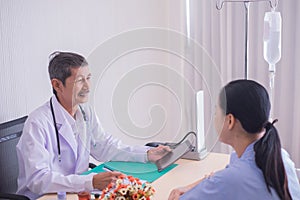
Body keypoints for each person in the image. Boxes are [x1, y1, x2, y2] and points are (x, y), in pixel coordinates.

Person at [16, 51, 170, 199]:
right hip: (45, 197)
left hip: (78, 194)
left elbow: (106, 147)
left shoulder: (84, 112)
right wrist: (90, 181)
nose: (88, 87)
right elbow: (38, 180)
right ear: (57, 85)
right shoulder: (37, 123)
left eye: (88, 78)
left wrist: (146, 154)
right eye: (79, 80)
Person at [168, 79, 300, 200]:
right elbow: (226, 174)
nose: (214, 118)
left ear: (230, 121)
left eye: (216, 113)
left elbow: (224, 180)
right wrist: (190, 187)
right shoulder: (279, 156)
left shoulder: (230, 180)